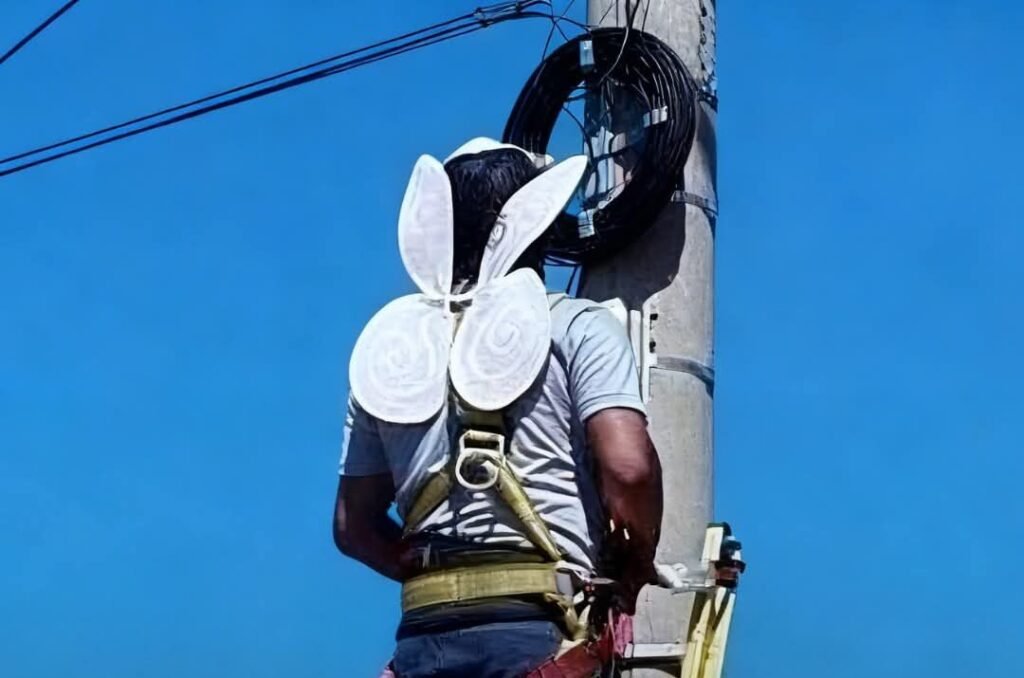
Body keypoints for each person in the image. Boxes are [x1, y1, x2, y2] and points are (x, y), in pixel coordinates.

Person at [333, 139, 663, 678]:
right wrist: (637, 555)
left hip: (425, 636)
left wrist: (429, 569)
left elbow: (353, 525)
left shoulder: (389, 351)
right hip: (538, 629)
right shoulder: (577, 326)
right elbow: (628, 469)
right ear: (537, 225)